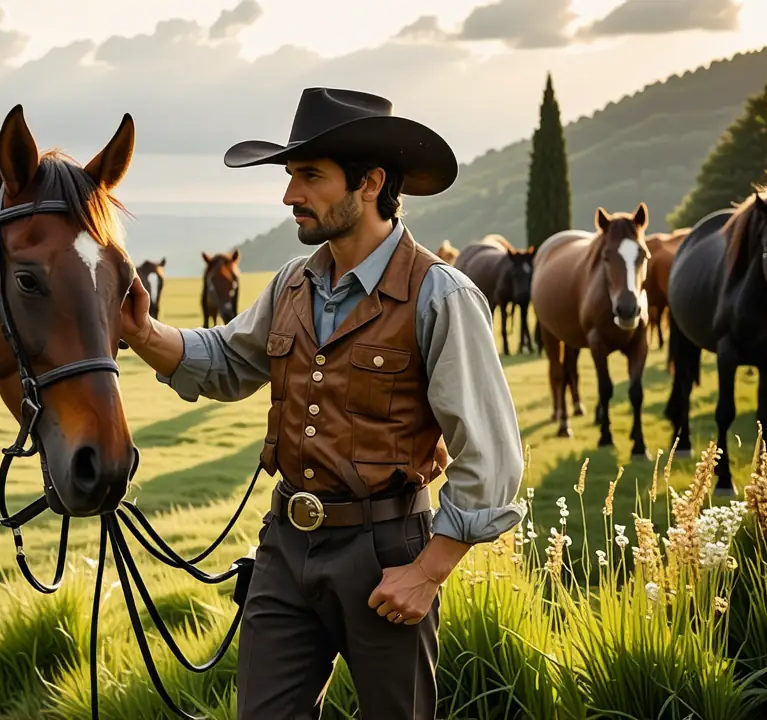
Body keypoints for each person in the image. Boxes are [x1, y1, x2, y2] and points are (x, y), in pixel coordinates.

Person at [118, 88, 526, 719]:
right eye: (290, 177)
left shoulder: (439, 295)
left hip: (389, 551)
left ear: (371, 183)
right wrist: (144, 333)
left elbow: (492, 456)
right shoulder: (290, 283)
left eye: (309, 176)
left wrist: (429, 569)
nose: (289, 196)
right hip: (285, 547)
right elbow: (225, 361)